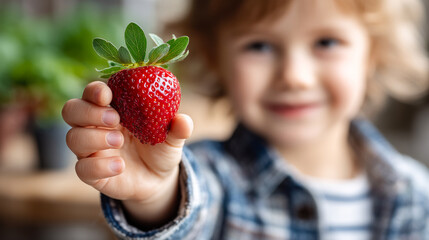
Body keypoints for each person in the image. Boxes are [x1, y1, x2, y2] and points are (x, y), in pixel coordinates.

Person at [62, 0, 429, 239]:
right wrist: (157, 193)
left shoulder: (414, 194)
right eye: (259, 46)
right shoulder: (211, 177)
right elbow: (192, 213)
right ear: (214, 56)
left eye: (327, 43)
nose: (295, 76)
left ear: (373, 54)